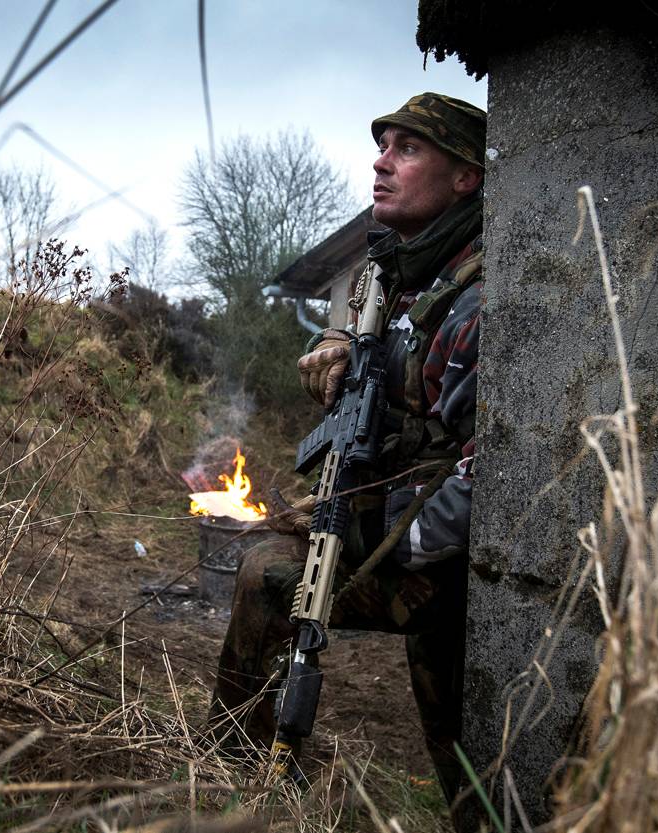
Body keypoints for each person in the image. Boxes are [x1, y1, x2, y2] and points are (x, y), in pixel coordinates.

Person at [207, 93, 486, 808]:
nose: (381, 163)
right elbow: (379, 349)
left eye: (408, 149)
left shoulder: (477, 301)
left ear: (466, 177)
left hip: (443, 561)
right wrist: (336, 343)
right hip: (396, 523)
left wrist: (379, 537)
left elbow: (488, 473)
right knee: (269, 569)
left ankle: (236, 780)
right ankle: (235, 780)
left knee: (473, 764)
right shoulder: (401, 273)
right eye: (382, 146)